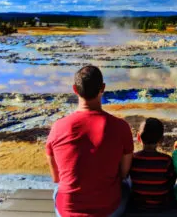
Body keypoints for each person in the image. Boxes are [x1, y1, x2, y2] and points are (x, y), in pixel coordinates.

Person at [46, 65, 134, 217]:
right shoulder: (121, 127)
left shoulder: (58, 127)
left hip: (67, 212)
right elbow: (123, 173)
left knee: (58, 188)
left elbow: (56, 178)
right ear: (103, 88)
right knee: (127, 184)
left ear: (75, 89)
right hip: (108, 211)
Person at [129, 118, 176, 212]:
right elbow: (171, 181)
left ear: (138, 137)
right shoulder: (166, 160)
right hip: (162, 205)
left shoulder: (133, 158)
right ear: (161, 139)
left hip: (138, 205)